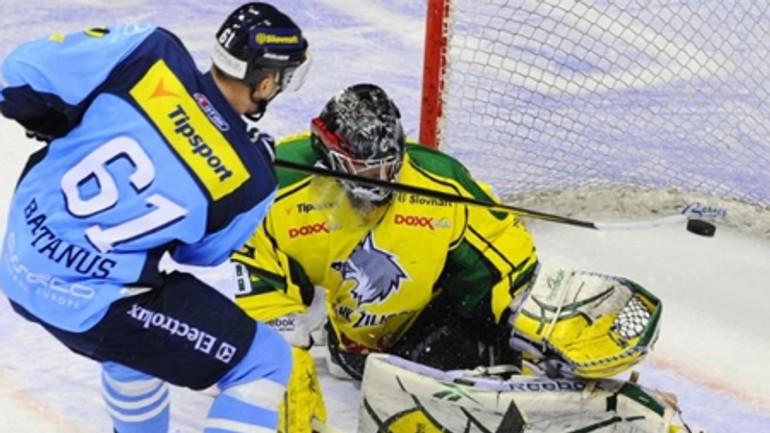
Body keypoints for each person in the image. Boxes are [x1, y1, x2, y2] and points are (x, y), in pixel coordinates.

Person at [230, 83, 663, 433]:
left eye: (389, 165)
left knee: (486, 356)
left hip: (430, 322)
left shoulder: (440, 180)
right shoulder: (280, 185)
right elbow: (259, 272)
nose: (381, 181)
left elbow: (499, 256)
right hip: (355, 345)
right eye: (366, 170)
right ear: (328, 153)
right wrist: (280, 352)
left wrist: (530, 312)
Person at [0, 3, 309, 433]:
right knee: (264, 362)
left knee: (135, 351)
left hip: (19, 258)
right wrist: (247, 158)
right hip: (90, 302)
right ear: (267, 81)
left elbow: (16, 78)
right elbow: (202, 255)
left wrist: (55, 120)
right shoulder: (253, 178)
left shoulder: (148, 51)